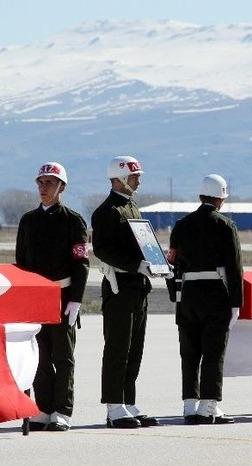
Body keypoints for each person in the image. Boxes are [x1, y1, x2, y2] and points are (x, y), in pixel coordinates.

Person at [15, 162, 90, 432]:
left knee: (63, 356)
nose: (43, 187)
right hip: (35, 298)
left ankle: (62, 411)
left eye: (49, 183)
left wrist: (75, 300)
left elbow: (81, 263)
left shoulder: (73, 220)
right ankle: (43, 409)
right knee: (40, 356)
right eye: (40, 183)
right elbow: (21, 263)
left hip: (62, 296)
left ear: (62, 187)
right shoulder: (28, 221)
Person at [167, 174, 242, 425]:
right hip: (215, 294)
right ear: (221, 198)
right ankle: (209, 406)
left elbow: (173, 264)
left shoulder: (181, 225)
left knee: (189, 352)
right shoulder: (225, 225)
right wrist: (236, 303)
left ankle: (190, 405)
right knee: (213, 351)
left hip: (188, 295)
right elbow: (234, 268)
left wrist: (176, 296)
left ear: (201, 195)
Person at [91, 155, 159, 429]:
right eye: (134, 176)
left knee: (135, 348)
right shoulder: (106, 212)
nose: (139, 180)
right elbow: (102, 250)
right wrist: (136, 264)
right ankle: (113, 406)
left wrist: (155, 260)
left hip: (138, 286)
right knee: (118, 347)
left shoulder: (132, 207)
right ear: (118, 178)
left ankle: (128, 402)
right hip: (120, 287)